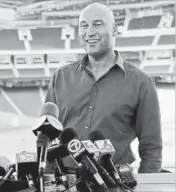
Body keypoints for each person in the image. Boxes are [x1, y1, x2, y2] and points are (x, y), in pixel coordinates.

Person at [45, 3, 162, 173]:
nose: (89, 32)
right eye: (84, 26)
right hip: (64, 181)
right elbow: (48, 138)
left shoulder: (141, 83)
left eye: (97, 24)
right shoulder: (60, 78)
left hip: (115, 181)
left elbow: (152, 151)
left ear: (114, 29)